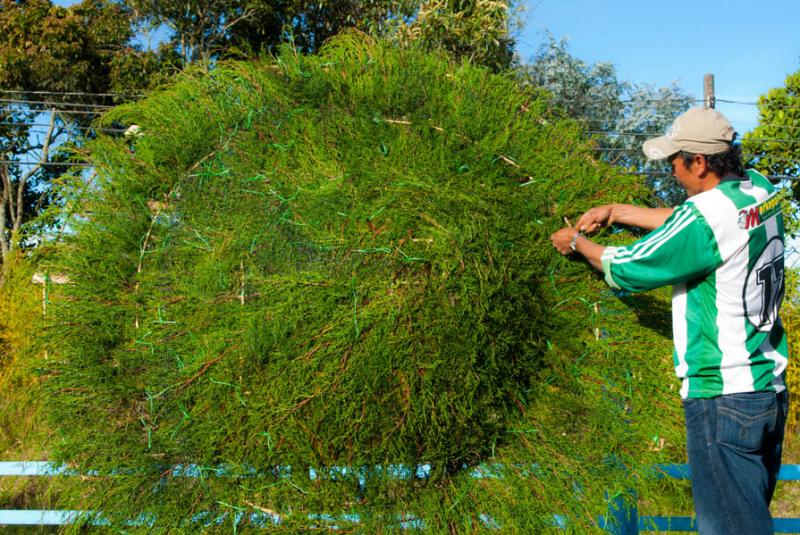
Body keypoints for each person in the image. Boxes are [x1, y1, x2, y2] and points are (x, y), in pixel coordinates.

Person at [550, 107, 790, 535]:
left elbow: (631, 264)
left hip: (723, 397)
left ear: (698, 162)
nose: (672, 171)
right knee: (750, 519)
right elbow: (694, 225)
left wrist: (578, 243)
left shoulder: (708, 219)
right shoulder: (759, 190)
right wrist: (619, 210)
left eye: (674, 161)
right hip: (767, 391)